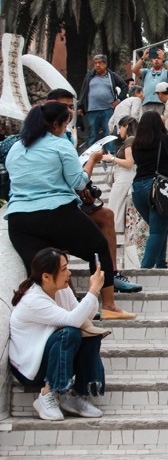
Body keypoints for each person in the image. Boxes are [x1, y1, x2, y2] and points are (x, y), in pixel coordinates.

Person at [5, 103, 135, 321]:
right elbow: (77, 182)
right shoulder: (59, 145)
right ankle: (109, 305)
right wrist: (92, 160)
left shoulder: (16, 148)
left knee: (44, 269)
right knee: (99, 248)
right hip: (56, 213)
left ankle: (63, 314)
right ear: (56, 124)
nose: (65, 129)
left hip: (19, 220)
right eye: (65, 124)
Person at [47, 88, 141, 295]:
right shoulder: (47, 138)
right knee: (96, 238)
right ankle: (84, 294)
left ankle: (112, 276)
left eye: (71, 107)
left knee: (107, 216)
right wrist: (92, 163)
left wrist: (84, 189)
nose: (69, 111)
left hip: (74, 195)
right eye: (64, 107)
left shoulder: (67, 135)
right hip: (56, 202)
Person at [9, 248, 107, 421]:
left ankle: (77, 395)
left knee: (89, 336)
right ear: (46, 276)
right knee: (69, 334)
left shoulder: (62, 289)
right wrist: (93, 290)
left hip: (51, 358)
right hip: (30, 368)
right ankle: (48, 394)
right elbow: (74, 320)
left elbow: (84, 316)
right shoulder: (33, 300)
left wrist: (95, 292)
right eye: (63, 270)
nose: (68, 273)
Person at [131, 110, 168, 269]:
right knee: (157, 232)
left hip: (138, 189)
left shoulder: (136, 143)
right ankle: (145, 270)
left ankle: (161, 263)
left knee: (159, 227)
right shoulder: (166, 139)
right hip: (158, 189)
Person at [77, 55, 127, 150]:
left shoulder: (111, 76)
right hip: (92, 110)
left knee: (108, 133)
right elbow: (83, 92)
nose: (97, 65)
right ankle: (90, 156)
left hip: (108, 110)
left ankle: (110, 155)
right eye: (95, 63)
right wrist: (80, 106)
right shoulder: (89, 76)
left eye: (100, 63)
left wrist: (119, 100)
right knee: (92, 134)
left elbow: (124, 87)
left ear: (105, 64)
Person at [102, 116, 138, 234]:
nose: (119, 131)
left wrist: (112, 158)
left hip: (125, 177)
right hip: (124, 177)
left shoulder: (130, 140)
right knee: (116, 207)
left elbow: (129, 163)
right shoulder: (131, 140)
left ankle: (113, 236)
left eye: (120, 127)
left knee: (114, 207)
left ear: (126, 126)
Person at [132, 47, 168, 114]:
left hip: (160, 103)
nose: (156, 60)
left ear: (162, 60)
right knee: (146, 123)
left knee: (159, 123)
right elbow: (134, 70)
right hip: (146, 103)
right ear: (151, 60)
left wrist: (164, 60)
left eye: (158, 58)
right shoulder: (146, 72)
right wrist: (143, 57)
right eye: (154, 58)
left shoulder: (166, 72)